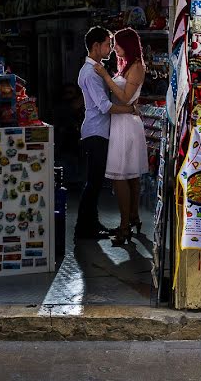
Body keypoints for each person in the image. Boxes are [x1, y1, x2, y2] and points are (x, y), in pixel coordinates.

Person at [75, 27, 139, 241]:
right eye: (107, 44)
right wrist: (129, 110)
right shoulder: (91, 73)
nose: (111, 49)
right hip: (96, 132)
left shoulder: (99, 69)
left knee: (95, 182)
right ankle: (83, 228)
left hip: (101, 131)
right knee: (93, 182)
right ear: (95, 46)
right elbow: (104, 106)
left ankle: (91, 224)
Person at [94, 28, 150, 246]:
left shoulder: (136, 67)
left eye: (117, 43)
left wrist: (106, 76)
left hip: (126, 125)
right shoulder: (127, 65)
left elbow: (126, 99)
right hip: (123, 123)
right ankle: (132, 218)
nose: (114, 47)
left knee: (120, 177)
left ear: (128, 44)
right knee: (132, 177)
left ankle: (125, 225)